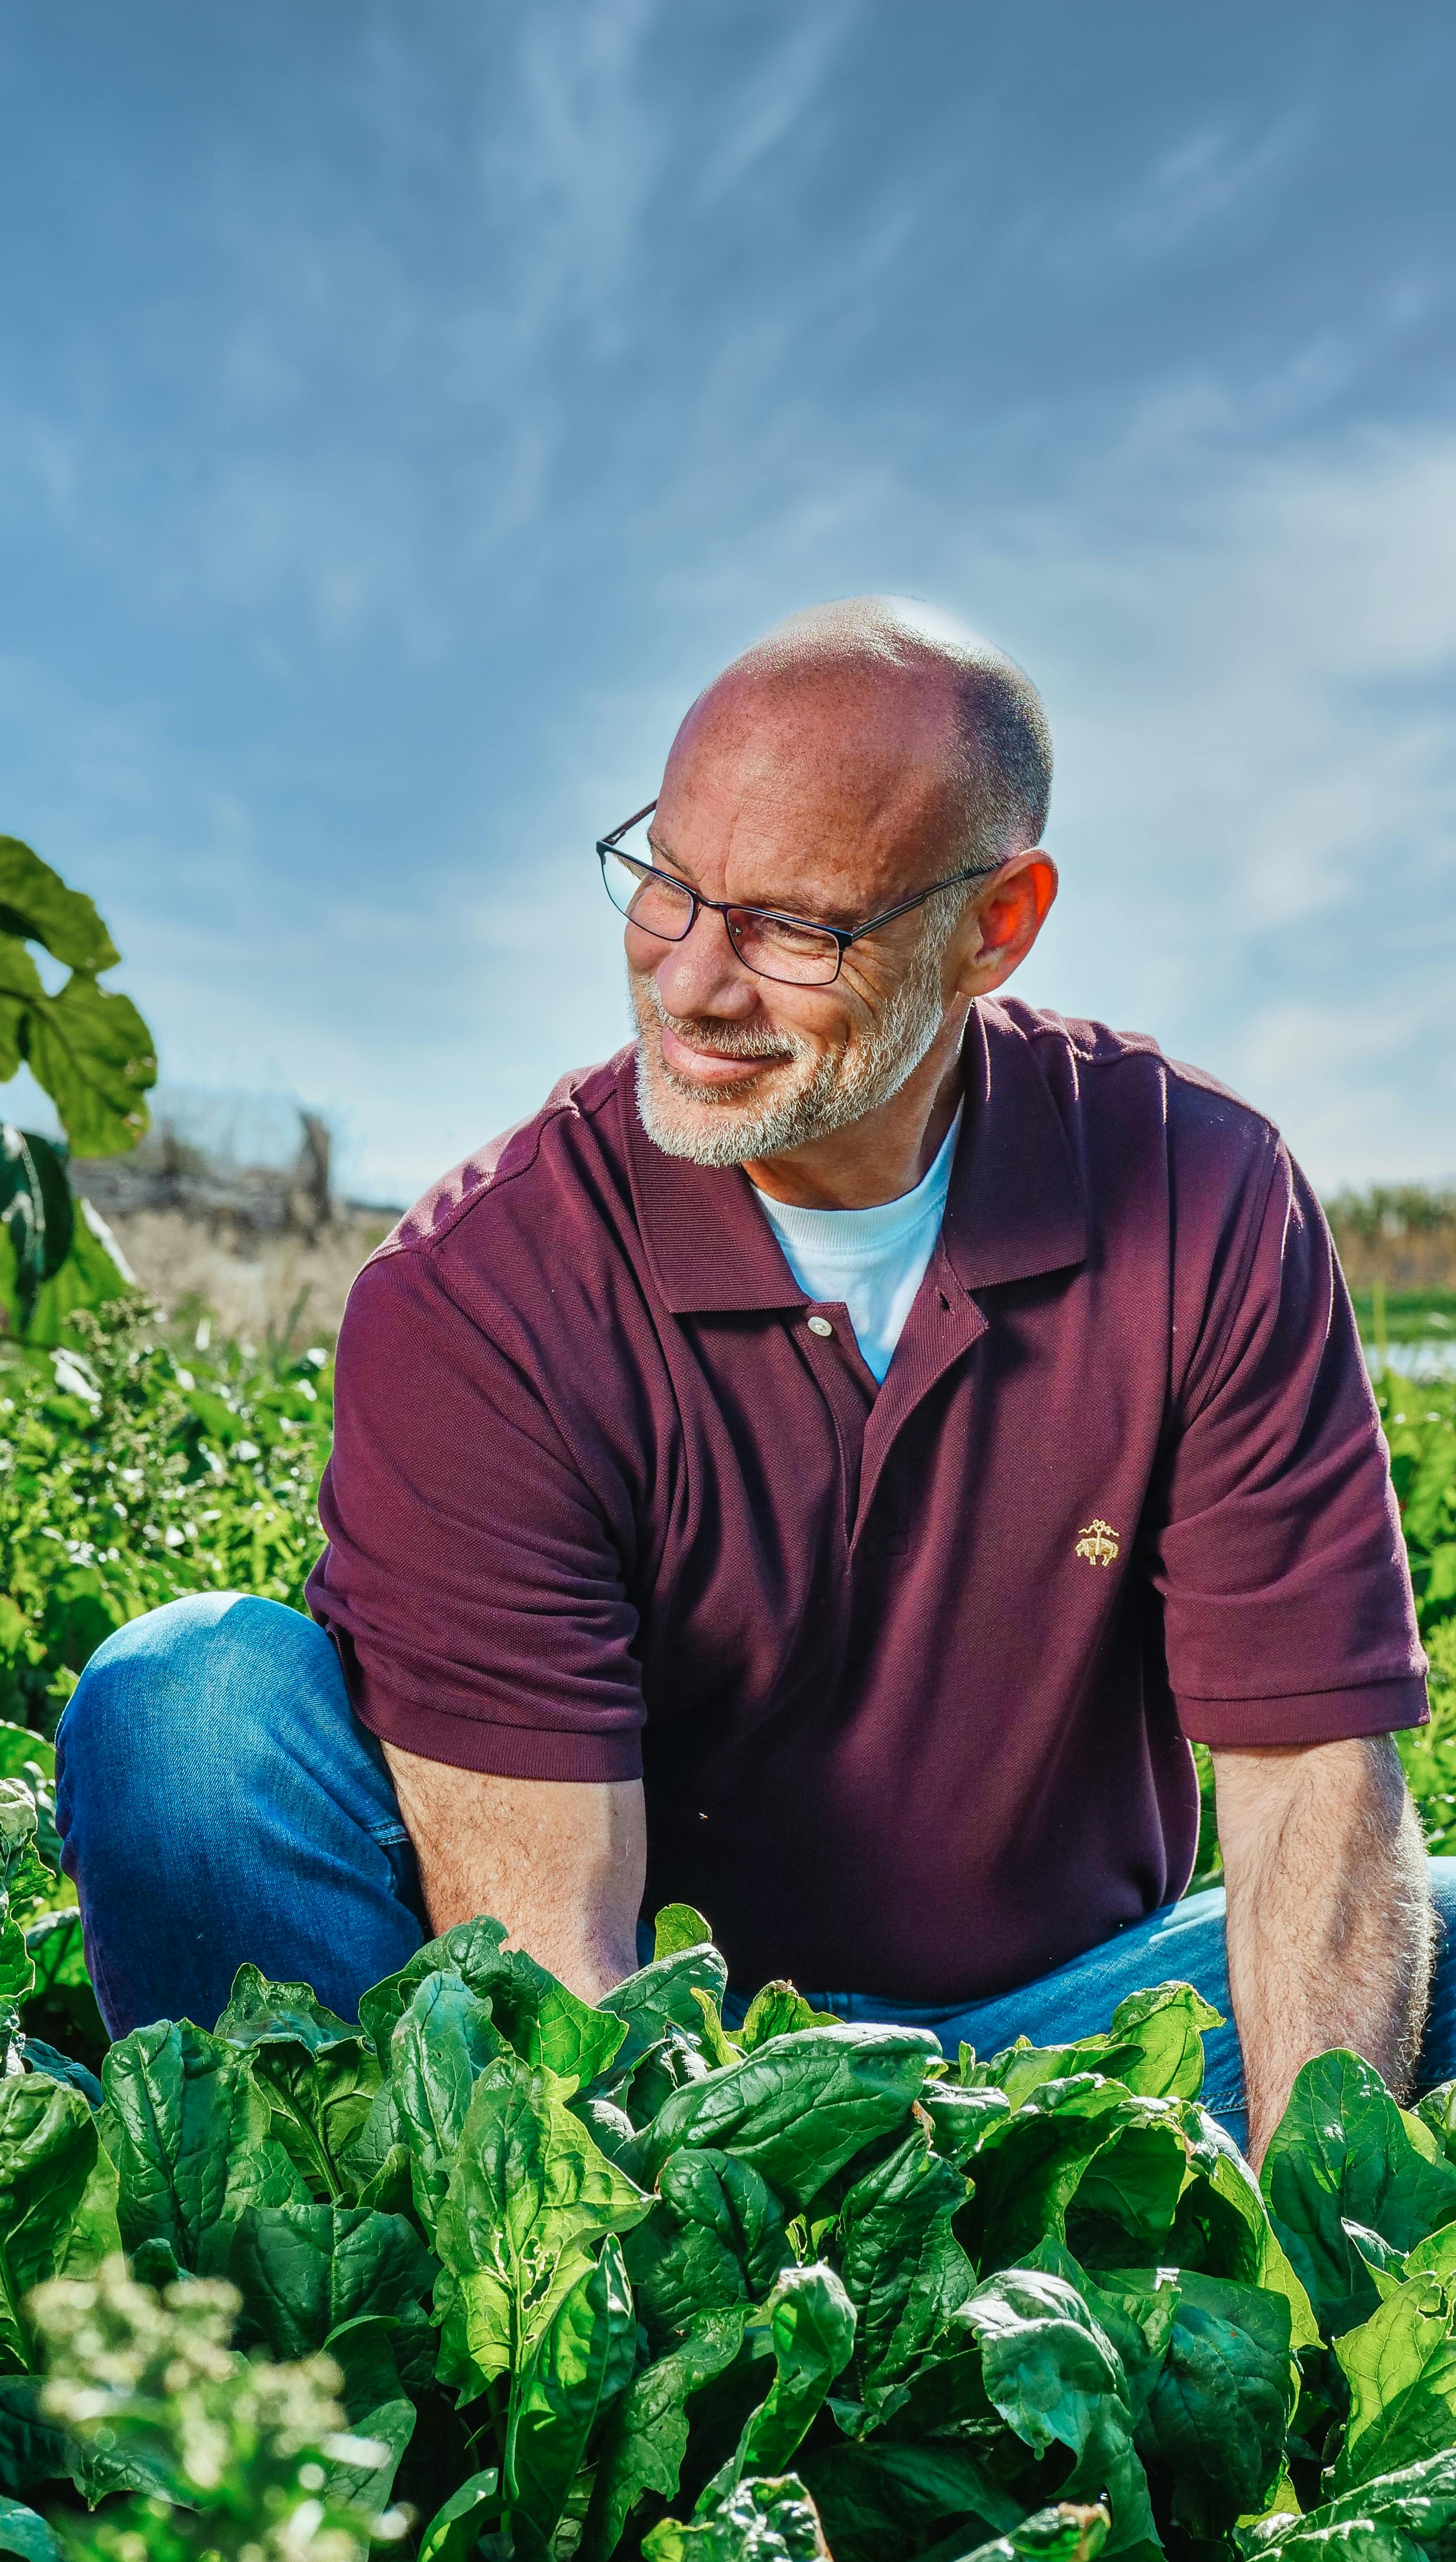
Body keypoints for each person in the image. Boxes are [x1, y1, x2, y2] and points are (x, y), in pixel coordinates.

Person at [57, 596, 1441, 2165]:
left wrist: (1309, 2232)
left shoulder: (1204, 1196)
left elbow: (1310, 1770)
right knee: (184, 1706)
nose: (690, 986)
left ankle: (1086, 2202)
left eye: (792, 929)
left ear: (995, 925)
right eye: (668, 885)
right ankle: (327, 2230)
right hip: (664, 2063)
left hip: (1061, 2031)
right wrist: (698, 2236)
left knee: (1427, 1938)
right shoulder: (486, 1292)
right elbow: (551, 1965)